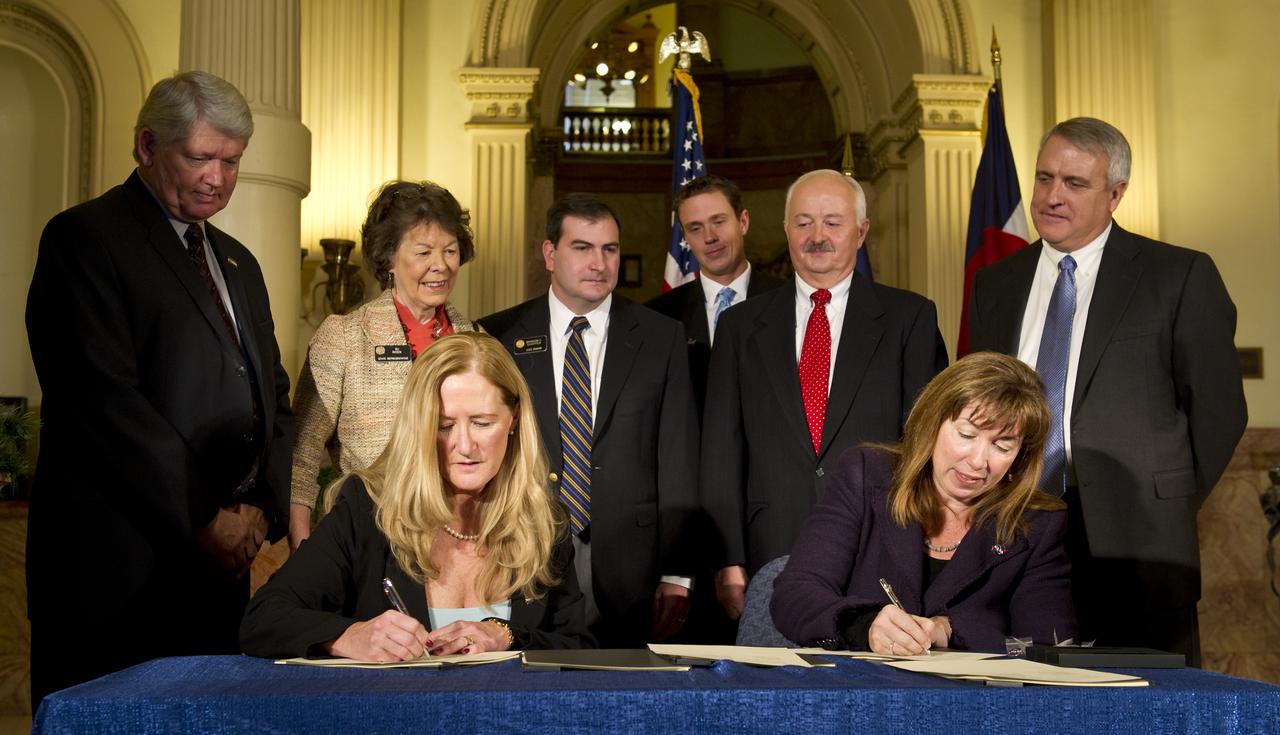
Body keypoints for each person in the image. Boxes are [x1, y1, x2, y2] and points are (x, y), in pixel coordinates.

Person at [25, 71, 294, 706]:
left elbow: (272, 394)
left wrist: (259, 506)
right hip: (116, 572)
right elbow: (101, 402)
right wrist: (206, 516)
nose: (217, 177)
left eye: (231, 161)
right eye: (200, 156)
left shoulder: (239, 263)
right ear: (147, 146)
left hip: (220, 571)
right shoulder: (86, 239)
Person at [967, 117, 1247, 665]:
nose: (1051, 196)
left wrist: (1168, 500)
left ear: (1115, 194)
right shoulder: (995, 284)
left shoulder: (1178, 275)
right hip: (1015, 534)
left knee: (1150, 711)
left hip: (1139, 547)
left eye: (1074, 184)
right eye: (1045, 178)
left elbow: (1218, 411)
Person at [241, 332, 593, 659]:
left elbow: (581, 646)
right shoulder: (367, 510)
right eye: (444, 426)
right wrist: (350, 636)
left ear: (514, 419)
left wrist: (507, 636)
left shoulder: (544, 523)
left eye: (482, 423)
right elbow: (264, 619)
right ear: (418, 426)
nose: (465, 445)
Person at [702, 169, 948, 622]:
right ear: (785, 230)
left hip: (878, 545)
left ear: (861, 231)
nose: (817, 236)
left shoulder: (909, 318)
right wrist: (727, 558)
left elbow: (929, 445)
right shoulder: (739, 327)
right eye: (803, 222)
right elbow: (721, 451)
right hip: (768, 550)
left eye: (833, 222)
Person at [480, 194, 700, 647]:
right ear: (549, 254)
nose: (599, 263)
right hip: (525, 554)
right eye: (582, 248)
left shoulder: (661, 337)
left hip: (632, 569)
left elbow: (678, 457)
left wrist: (678, 573)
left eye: (610, 249)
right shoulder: (498, 336)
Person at [772, 352, 1075, 653]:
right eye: (966, 435)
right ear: (933, 422)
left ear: (1020, 456)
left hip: (969, 699)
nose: (978, 461)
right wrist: (863, 625)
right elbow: (794, 594)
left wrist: (951, 630)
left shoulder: (1037, 523)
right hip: (859, 689)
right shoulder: (866, 474)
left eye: (1002, 445)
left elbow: (1050, 645)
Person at [289, 181, 481, 549]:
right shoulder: (344, 337)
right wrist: (301, 543)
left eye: (451, 251)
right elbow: (303, 452)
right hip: (369, 536)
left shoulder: (477, 341)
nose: (440, 265)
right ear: (389, 258)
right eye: (424, 252)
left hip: (460, 538)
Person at [646, 174, 785, 414]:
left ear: (743, 222)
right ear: (685, 238)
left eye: (718, 221)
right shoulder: (659, 317)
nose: (709, 237)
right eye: (695, 228)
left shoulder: (788, 302)